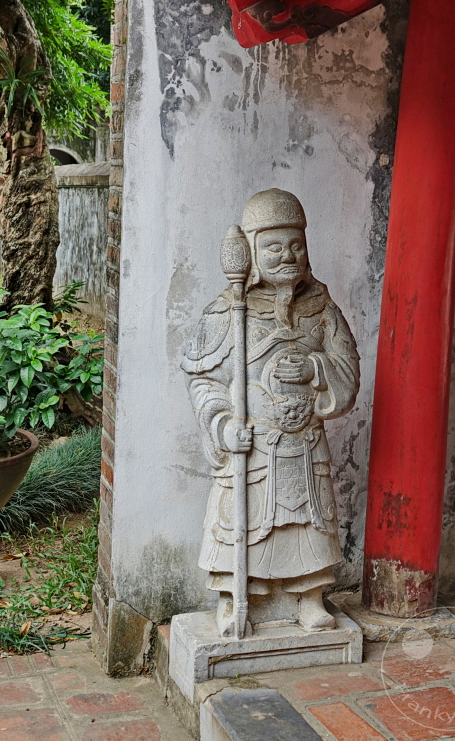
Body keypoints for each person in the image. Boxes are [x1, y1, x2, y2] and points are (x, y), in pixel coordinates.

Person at [182, 189, 360, 635]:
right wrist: (223, 426)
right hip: (254, 443)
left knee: (309, 522)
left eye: (296, 245)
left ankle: (309, 596)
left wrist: (315, 368)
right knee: (241, 521)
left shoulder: (322, 309)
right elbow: (204, 380)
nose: (288, 256)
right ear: (253, 251)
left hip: (303, 442)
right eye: (274, 247)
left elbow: (347, 370)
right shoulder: (227, 311)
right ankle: (233, 597)